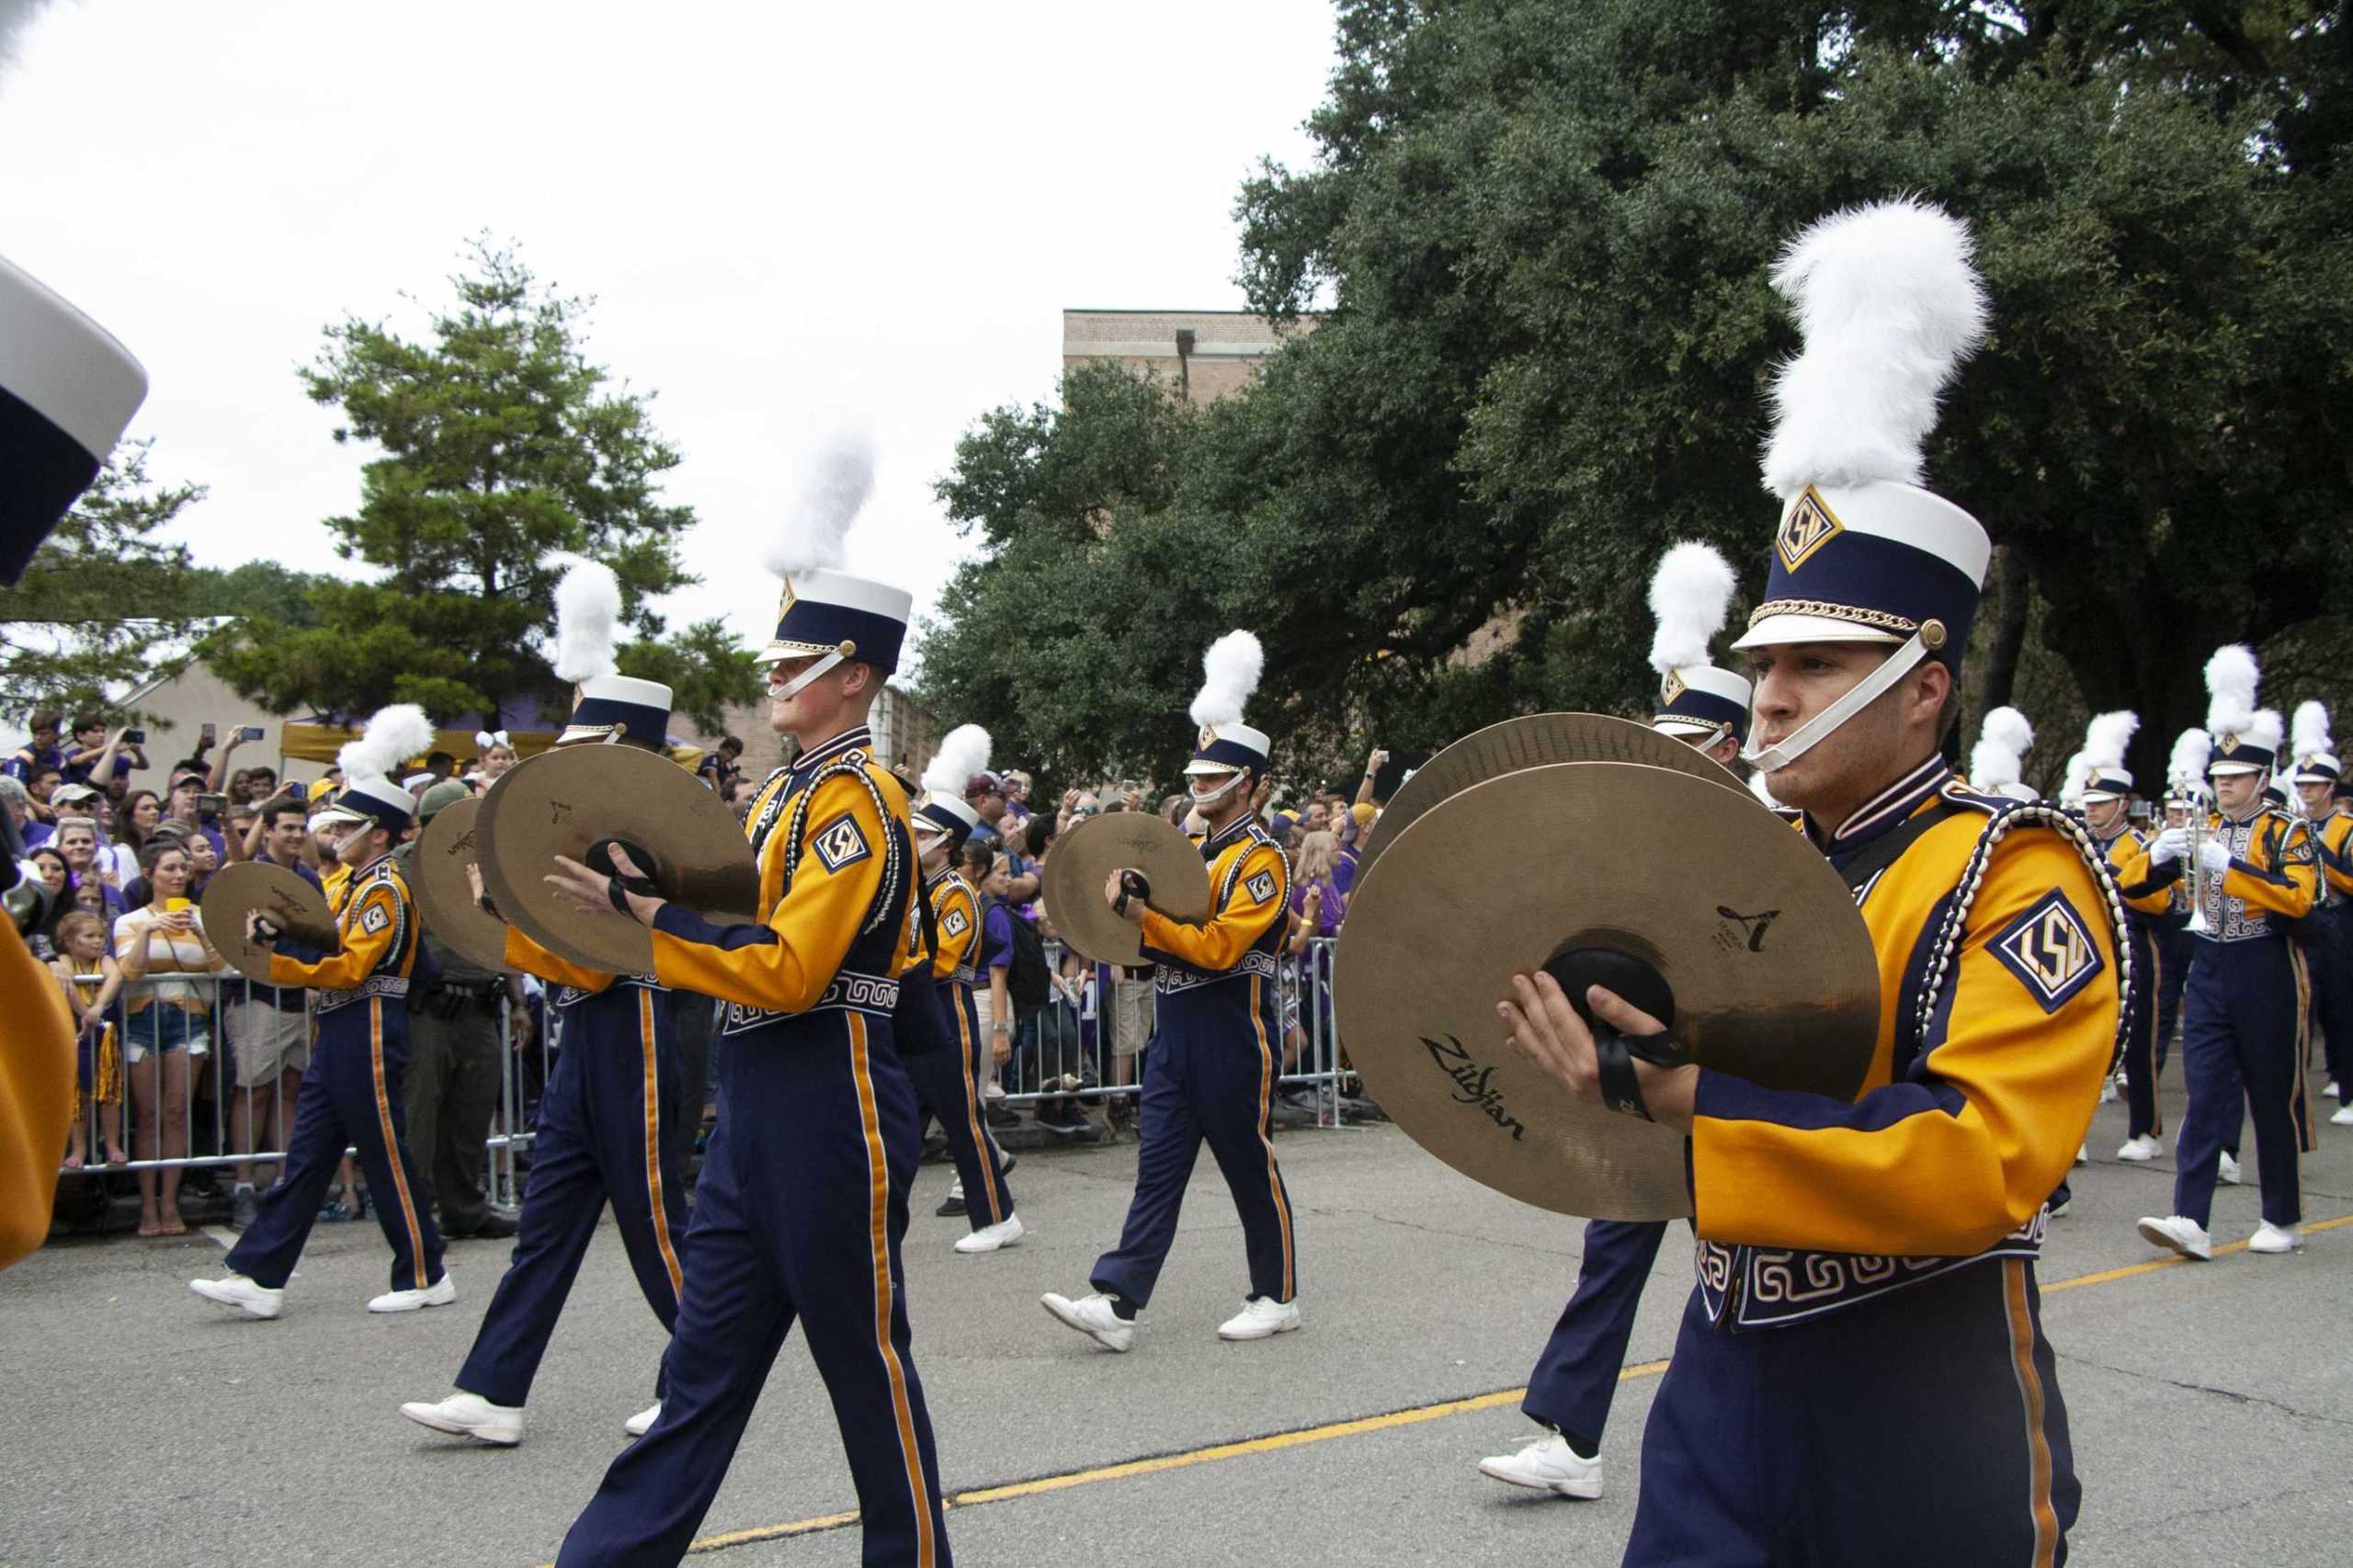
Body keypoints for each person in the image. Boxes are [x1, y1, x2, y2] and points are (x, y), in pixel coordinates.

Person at [1500, 201, 2121, 1565]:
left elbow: (1983, 1164)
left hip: (1919, 1409)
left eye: (1816, 665)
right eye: (1766, 663)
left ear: (1925, 688)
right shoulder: (1762, 862)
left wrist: (1689, 1094)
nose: (1768, 697)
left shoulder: (2014, 875)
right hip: (1723, 1382)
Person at [545, 499, 950, 1566]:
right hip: (758, 1098)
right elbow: (734, 922)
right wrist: (648, 887)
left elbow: (788, 965)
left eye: (794, 665)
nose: (773, 681)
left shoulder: (858, 803)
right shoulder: (784, 796)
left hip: (832, 1091)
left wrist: (649, 917)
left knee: (864, 1366)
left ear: (853, 673)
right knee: (699, 1369)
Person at [1479, 540, 1751, 1501]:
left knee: (1753, 1271)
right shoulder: (1643, 836)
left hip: (1738, 1084)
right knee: (1615, 1240)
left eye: (1688, 742)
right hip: (1648, 1073)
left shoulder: (1771, 838)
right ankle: (1571, 1434)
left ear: (1728, 744)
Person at [402, 584, 691, 1445]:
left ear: (615, 747)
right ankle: (493, 1391)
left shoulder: (635, 843)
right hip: (593, 1032)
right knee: (551, 1220)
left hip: (628, 1025)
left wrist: (500, 920)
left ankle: (705, 1375)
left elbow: (598, 965)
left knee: (656, 1219)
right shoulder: (606, 832)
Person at [1043, 629, 1301, 1352]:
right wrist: (1124, 926)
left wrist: (1144, 920)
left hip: (1230, 1028)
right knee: (1157, 1171)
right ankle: (1118, 1301)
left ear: (1246, 782)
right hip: (1177, 1028)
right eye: (1196, 775)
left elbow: (1220, 949)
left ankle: (1277, 1294)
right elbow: (1157, 942)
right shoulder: (1194, 854)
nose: (1198, 787)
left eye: (1213, 777)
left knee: (1250, 1167)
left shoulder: (1262, 860)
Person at [188, 704, 452, 1318]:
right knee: (307, 1157)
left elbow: (353, 967)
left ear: (380, 834)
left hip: (368, 1025)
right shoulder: (354, 884)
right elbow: (319, 932)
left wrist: (277, 961)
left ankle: (423, 1271)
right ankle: (260, 1276)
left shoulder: (384, 888)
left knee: (385, 1153)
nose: (335, 835)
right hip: (339, 1027)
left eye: (349, 827)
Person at [2137, 657, 2319, 1259]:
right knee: (2204, 1091)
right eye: (2221, 775)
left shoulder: (2286, 831)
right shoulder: (2203, 825)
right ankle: (2191, 1217)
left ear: (2263, 779)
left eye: (2238, 777)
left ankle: (2282, 1216)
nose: (2225, 785)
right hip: (2210, 964)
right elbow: (2138, 892)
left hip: (2266, 967)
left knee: (2270, 1094)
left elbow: (2299, 901)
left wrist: (2231, 868)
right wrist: (2157, 857)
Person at [897, 723, 1022, 1254]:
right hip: (914, 1013)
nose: (912, 840)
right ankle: (876, 1219)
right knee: (899, 1127)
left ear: (944, 844)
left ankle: (997, 1217)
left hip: (945, 1013)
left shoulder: (957, 895)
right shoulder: (913, 890)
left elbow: (940, 961)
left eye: (921, 834)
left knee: (963, 1124)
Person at [396, 778, 517, 1241]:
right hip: (428, 1007)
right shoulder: (403, 869)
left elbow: (501, 937)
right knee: (420, 1116)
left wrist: (517, 999)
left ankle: (464, 1207)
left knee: (471, 1114)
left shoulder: (485, 867)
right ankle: (413, 1212)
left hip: (481, 1003)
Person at [113, 837, 230, 1235]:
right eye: (169, 868)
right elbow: (131, 971)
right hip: (143, 1018)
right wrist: (149, 930)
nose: (179, 875)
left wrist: (201, 933)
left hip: (188, 1018)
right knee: (147, 1116)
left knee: (177, 1113)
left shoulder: (204, 915)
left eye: (183, 867)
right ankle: (148, 1207)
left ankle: (170, 1204)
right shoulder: (129, 921)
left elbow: (220, 969)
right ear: (149, 875)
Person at [2071, 721, 2177, 1161]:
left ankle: (2145, 1130)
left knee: (2138, 1042)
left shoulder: (2142, 845)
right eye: (2089, 802)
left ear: (2121, 804)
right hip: (2093, 948)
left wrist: (2116, 879)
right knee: (2082, 1044)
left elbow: (2161, 901)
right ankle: (2071, 1137)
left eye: (2101, 803)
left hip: (2135, 948)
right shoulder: (2078, 841)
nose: (2092, 810)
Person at [222, 793, 321, 1229]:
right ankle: (244, 1184)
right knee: (253, 1089)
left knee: (293, 1088)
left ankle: (285, 1179)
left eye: (302, 828)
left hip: (301, 999)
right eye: (288, 828)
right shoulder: (250, 875)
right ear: (271, 831)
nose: (297, 835)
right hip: (258, 998)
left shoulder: (311, 879)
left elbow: (319, 933)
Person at [2288, 706, 2353, 1126]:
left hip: (2340, 921)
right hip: (2304, 918)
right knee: (2299, 1007)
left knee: (2342, 1007)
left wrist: (2322, 853)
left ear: (2330, 787)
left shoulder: (2347, 828)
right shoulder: (2291, 825)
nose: (2307, 791)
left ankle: (2348, 1089)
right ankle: (2295, 1092)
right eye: (2302, 784)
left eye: (2314, 785)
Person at [52, 911, 126, 1171]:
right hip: (76, 1033)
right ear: (71, 942)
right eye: (89, 936)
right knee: (79, 1093)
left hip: (104, 1033)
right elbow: (69, 986)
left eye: (101, 937)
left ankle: (112, 1144)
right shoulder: (64, 959)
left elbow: (116, 977)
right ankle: (80, 1146)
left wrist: (97, 1008)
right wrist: (86, 1014)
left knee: (109, 1092)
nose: (97, 942)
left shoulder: (104, 960)